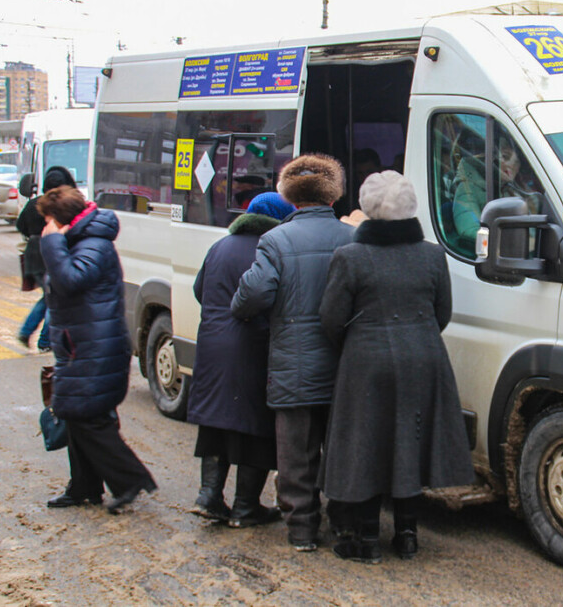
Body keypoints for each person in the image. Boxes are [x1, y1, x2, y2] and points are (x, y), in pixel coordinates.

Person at [320, 171, 474, 564]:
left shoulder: (350, 257)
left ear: (368, 207)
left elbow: (331, 320)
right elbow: (443, 313)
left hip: (367, 360)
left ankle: (367, 540)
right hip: (424, 356)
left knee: (368, 445)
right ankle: (407, 535)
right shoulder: (431, 254)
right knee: (410, 442)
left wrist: (359, 344)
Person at [231, 154, 354, 552]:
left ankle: (302, 530)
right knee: (340, 450)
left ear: (290, 197)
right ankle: (343, 523)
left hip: (292, 365)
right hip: (344, 367)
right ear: (332, 197)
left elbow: (253, 296)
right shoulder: (352, 239)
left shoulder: (275, 240)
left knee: (296, 455)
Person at [38, 186, 156, 514]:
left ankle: (131, 480)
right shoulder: (80, 241)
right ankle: (84, 488)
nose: (44, 227)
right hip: (83, 345)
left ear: (60, 220)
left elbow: (70, 280)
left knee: (89, 419)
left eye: (47, 220)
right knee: (77, 415)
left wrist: (51, 243)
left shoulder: (94, 245)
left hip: (95, 348)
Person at [187, 192, 295, 528]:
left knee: (216, 419)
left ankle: (208, 496)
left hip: (213, 345)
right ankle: (246, 506)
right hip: (254, 344)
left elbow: (198, 289)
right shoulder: (273, 249)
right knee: (256, 425)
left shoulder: (220, 245)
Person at [16, 166, 77, 351]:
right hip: (48, 252)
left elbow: (20, 225)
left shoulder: (33, 203)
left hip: (32, 253)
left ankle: (27, 332)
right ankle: (45, 341)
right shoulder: (58, 206)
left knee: (48, 296)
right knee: (54, 296)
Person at [452, 135, 539, 243]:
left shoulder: (518, 189)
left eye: (517, 161)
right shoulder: (467, 189)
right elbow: (471, 230)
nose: (511, 165)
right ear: (491, 158)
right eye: (506, 157)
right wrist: (513, 244)